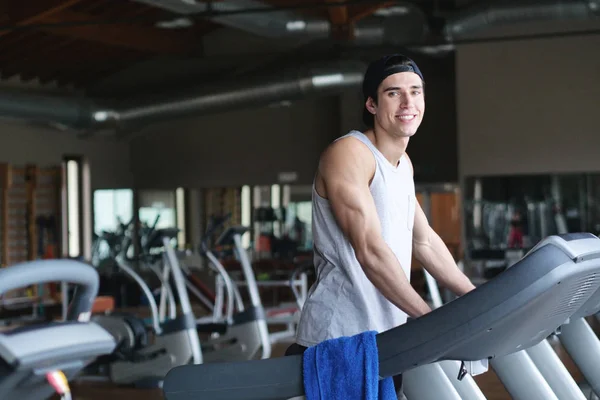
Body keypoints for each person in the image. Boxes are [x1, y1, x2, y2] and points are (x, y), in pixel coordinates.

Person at [285, 54, 476, 399]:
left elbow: (425, 241)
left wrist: (475, 297)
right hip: (339, 339)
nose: (408, 102)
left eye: (416, 92)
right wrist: (429, 319)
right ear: (371, 104)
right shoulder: (350, 153)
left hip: (385, 339)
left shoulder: (403, 165)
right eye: (393, 93)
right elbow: (370, 251)